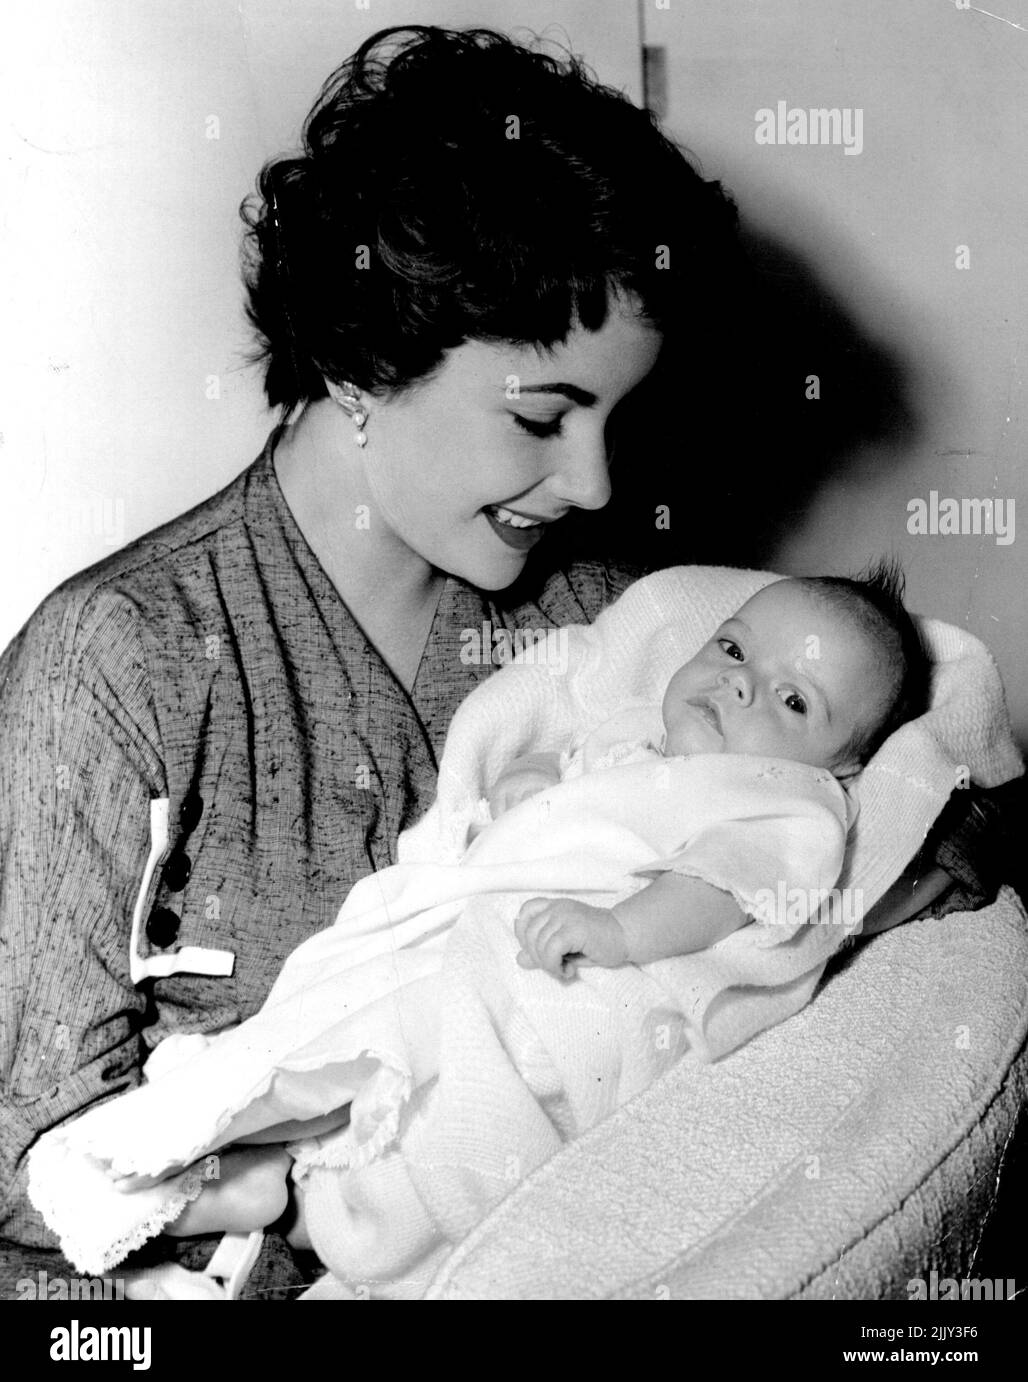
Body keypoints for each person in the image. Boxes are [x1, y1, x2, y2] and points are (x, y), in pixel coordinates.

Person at [0, 25, 1006, 1301]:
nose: (592, 482)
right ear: (365, 355)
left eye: (612, 421)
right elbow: (22, 1159)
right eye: (540, 417)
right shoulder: (122, 667)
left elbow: (872, 833)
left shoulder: (611, 630)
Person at [65, 562, 925, 1277]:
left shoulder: (789, 803)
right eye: (732, 647)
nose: (739, 682)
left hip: (577, 976)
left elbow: (721, 888)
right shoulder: (638, 734)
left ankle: (310, 1203)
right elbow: (567, 764)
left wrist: (625, 932)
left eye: (793, 701)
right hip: (491, 909)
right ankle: (251, 1140)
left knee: (461, 1091)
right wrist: (535, 772)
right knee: (361, 1007)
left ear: (845, 764)